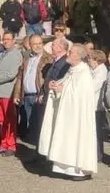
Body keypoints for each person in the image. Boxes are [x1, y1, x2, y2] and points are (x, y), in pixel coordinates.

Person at [36, 43, 99, 180]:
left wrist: (62, 89)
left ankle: (80, 171)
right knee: (66, 139)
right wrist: (56, 85)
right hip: (69, 115)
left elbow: (80, 96)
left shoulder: (83, 72)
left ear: (78, 56)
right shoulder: (72, 70)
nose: (68, 54)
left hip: (77, 117)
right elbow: (66, 85)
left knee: (75, 140)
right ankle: (66, 169)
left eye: (71, 52)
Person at [0, 32, 22, 157]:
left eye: (8, 39)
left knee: (9, 121)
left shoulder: (16, 54)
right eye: (4, 39)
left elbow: (11, 74)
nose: (6, 41)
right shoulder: (1, 54)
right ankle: (3, 143)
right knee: (1, 120)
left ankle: (11, 145)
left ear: (13, 40)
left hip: (8, 92)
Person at [14, 34, 48, 142]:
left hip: (38, 97)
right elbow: (20, 78)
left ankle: (40, 150)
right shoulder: (27, 59)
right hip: (26, 96)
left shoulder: (48, 59)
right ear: (30, 45)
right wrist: (16, 94)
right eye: (35, 44)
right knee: (31, 127)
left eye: (40, 43)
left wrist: (43, 94)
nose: (38, 46)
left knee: (40, 127)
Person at [87, 49, 108, 163]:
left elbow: (92, 87)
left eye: (90, 59)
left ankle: (98, 155)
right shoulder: (94, 70)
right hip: (91, 106)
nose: (88, 61)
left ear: (96, 60)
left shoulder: (101, 72)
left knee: (96, 133)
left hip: (96, 107)